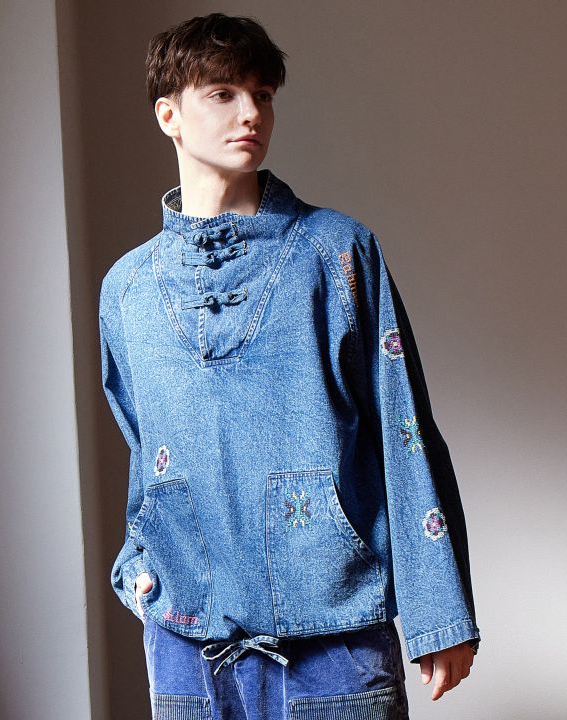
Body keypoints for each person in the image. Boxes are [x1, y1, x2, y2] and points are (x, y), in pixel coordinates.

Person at [99, 12, 481, 720]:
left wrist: (440, 612)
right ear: (168, 115)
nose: (251, 113)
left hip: (333, 638)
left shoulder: (337, 251)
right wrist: (139, 568)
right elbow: (145, 450)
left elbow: (405, 431)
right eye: (223, 94)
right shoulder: (127, 287)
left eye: (263, 94)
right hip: (184, 640)